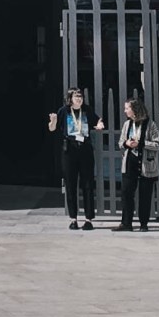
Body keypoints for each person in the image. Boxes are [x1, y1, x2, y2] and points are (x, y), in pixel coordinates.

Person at [48, 87, 105, 229]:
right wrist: (53, 120)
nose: (79, 98)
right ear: (70, 99)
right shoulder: (63, 111)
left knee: (87, 184)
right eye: (76, 96)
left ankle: (88, 219)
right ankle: (73, 218)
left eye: (80, 96)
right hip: (69, 150)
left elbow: (98, 121)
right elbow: (52, 128)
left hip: (85, 149)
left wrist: (99, 125)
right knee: (71, 184)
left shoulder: (87, 110)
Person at [115, 95, 159, 232]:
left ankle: (143, 224)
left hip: (146, 164)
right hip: (130, 163)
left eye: (127, 108)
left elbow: (157, 145)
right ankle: (126, 223)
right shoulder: (127, 124)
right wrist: (126, 143)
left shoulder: (150, 124)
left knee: (145, 195)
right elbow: (120, 143)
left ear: (134, 109)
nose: (125, 111)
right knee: (126, 193)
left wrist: (141, 143)